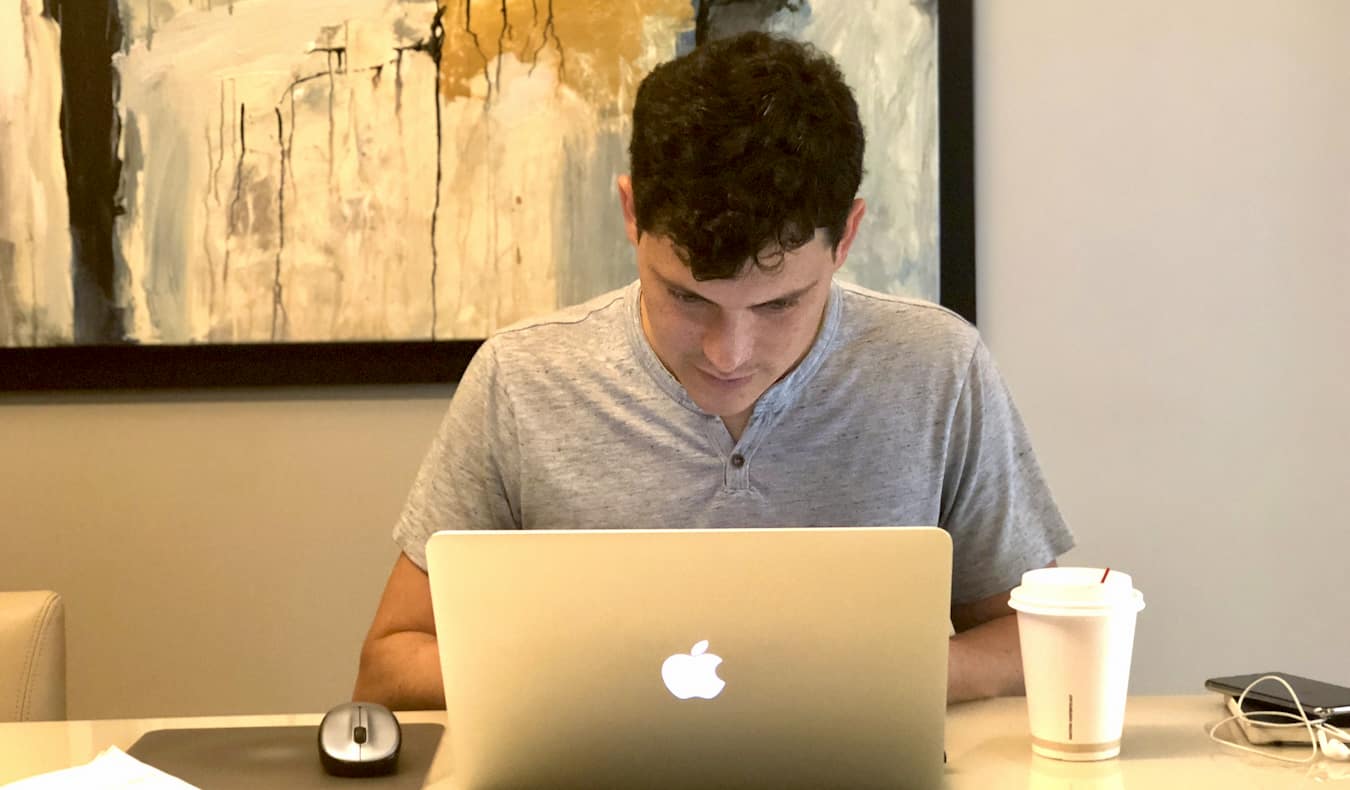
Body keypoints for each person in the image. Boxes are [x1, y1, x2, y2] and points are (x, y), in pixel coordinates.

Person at [353, 31, 1073, 710]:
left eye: (780, 303)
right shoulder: (521, 379)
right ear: (632, 213)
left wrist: (863, 677)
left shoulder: (937, 370)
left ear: (846, 236)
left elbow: (1035, 641)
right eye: (685, 297)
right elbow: (389, 665)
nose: (728, 353)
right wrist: (593, 681)